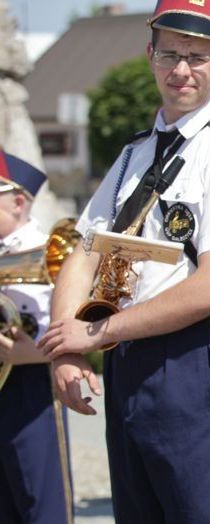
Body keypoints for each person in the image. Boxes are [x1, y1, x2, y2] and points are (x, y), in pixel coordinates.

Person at [38, 1, 210, 521]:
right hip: (129, 357)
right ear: (150, 55)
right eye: (169, 54)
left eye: (197, 57)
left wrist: (94, 336)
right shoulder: (135, 153)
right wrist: (65, 348)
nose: (181, 70)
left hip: (194, 358)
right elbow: (83, 252)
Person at [0, 150, 73, 523]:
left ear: (16, 202)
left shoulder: (47, 250)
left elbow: (70, 325)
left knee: (40, 500)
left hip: (33, 385)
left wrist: (33, 352)